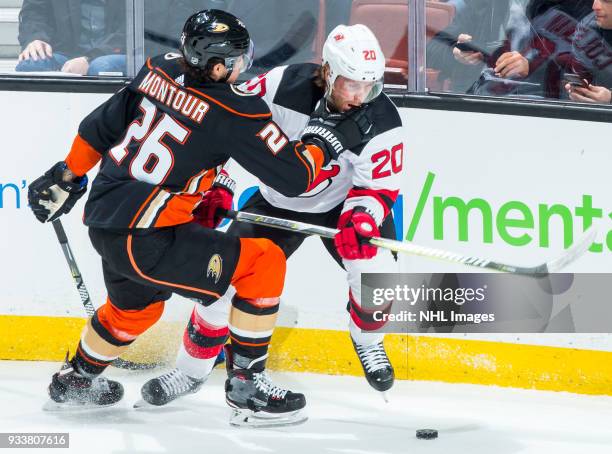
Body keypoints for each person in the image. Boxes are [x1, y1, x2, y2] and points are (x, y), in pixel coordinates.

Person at [27, 9, 371, 426]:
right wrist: (326, 138)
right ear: (218, 65)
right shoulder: (234, 109)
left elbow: (100, 126)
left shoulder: (157, 69)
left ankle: (76, 382)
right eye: (239, 59)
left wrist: (65, 175)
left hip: (104, 222)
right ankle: (247, 389)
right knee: (264, 260)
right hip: (147, 239)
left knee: (135, 311)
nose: (245, 66)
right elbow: (296, 177)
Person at [140, 24, 403, 408]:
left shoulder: (383, 118)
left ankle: (368, 342)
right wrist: (220, 183)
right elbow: (224, 125)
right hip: (276, 200)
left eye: (371, 86)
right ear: (328, 72)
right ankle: (192, 371)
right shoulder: (281, 85)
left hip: (342, 208)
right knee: (219, 284)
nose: (361, 96)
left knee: (380, 281)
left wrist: (362, 217)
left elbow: (378, 186)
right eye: (351, 84)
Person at [427, 0, 530, 93]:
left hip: (531, 98)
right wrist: (456, 52)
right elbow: (431, 51)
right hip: (478, 97)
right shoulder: (479, 5)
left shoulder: (543, 10)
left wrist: (529, 66)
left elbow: (545, 63)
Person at [16, 0, 126, 75]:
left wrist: (90, 58)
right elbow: (34, 11)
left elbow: (138, 26)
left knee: (101, 67)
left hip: (116, 52)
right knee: (31, 66)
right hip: (66, 52)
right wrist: (36, 38)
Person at [565, 0, 612, 103]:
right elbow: (581, 74)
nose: (595, 6)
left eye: (606, 1)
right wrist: (583, 90)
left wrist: (610, 99)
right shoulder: (587, 32)